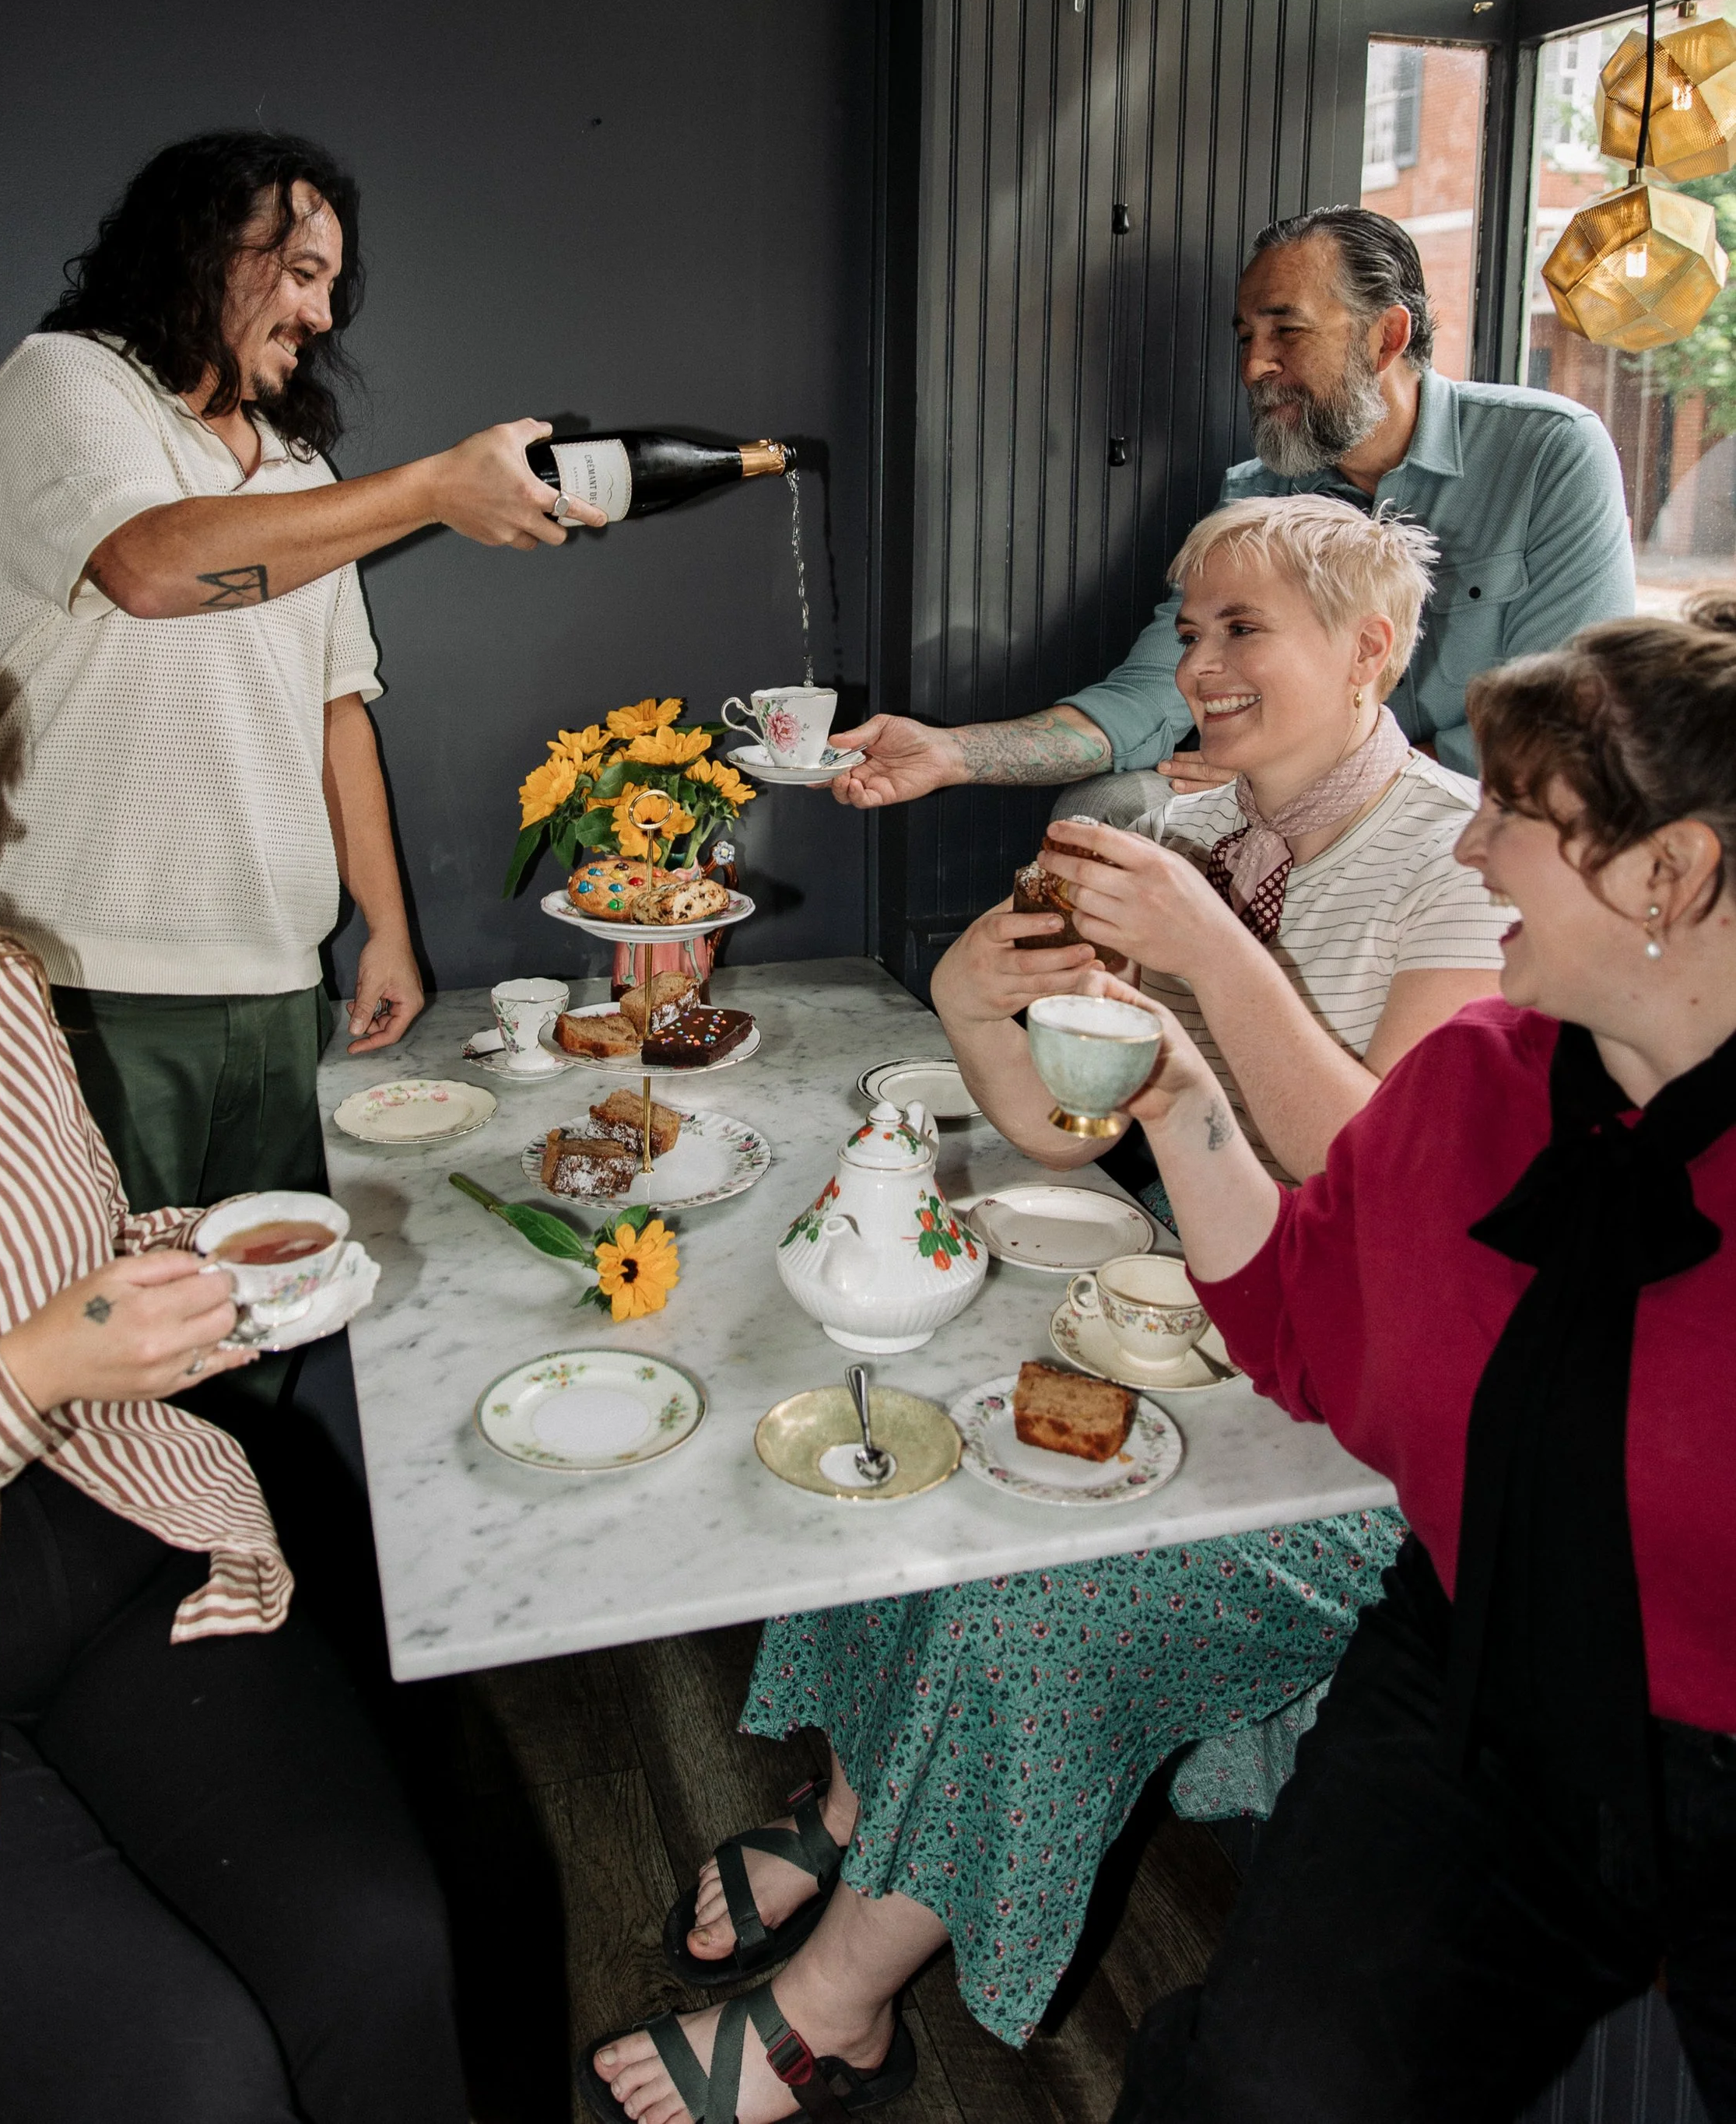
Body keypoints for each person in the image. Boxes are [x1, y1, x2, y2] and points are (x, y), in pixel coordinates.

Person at [584, 497, 1512, 2124]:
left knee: (1037, 1606)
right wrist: (966, 998)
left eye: (1242, 630)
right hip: (1172, 1322)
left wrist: (1205, 948)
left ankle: (841, 2009)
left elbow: (1391, 1190)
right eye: (1188, 626)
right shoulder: (1192, 829)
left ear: (1371, 650)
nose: (1197, 664)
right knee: (894, 1401)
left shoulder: (1456, 865)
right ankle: (858, 1803)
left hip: (1365, 1433)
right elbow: (1073, 1125)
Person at [0, 616, 468, 2122]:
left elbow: (77, 1255)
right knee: (181, 2074)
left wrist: (227, 1262)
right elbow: (29, 1349)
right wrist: (21, 1376)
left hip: (110, 1530)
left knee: (379, 1950)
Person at [1103, 596, 1736, 2124]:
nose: (1467, 850)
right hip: (1475, 1691)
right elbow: (1310, 1329)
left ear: (1668, 872)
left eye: (1514, 815)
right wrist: (1172, 1086)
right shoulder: (1476, 1079)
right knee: (1268, 2090)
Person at [0, 127, 605, 1216]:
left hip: (276, 988)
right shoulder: (65, 379)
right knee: (111, 1333)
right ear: (203, 250)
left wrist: (387, 932)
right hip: (86, 985)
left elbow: (335, 708)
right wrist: (434, 488)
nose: (322, 313)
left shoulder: (303, 470)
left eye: (331, 285)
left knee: (263, 1334)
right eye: (302, 272)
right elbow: (149, 567)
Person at [829, 203, 1635, 807]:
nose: (1254, 368)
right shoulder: (1255, 493)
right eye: (1245, 337)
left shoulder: (1549, 451)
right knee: (1105, 815)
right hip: (1293, 799)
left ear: (1386, 338)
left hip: (1481, 814)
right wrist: (952, 752)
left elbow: (1565, 724)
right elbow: (1152, 693)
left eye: (1286, 333)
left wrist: (1308, 771)